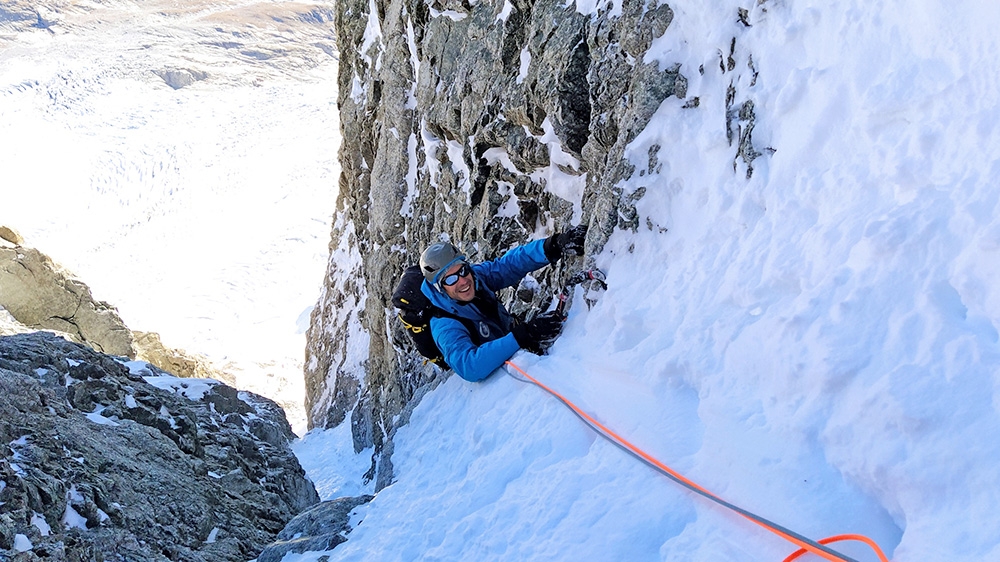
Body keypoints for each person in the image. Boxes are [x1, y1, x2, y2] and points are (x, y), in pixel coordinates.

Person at [419, 225, 587, 382]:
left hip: (514, 340)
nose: (463, 281)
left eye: (463, 270)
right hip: (503, 378)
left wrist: (552, 246)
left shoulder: (476, 277)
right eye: (451, 279)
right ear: (440, 288)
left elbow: (508, 265)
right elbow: (470, 366)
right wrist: (522, 336)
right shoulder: (444, 325)